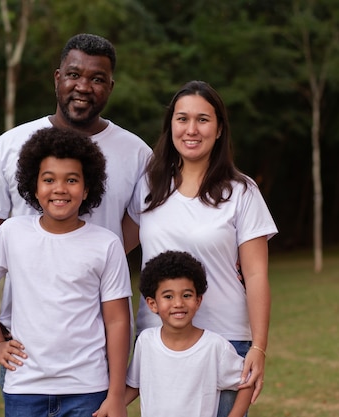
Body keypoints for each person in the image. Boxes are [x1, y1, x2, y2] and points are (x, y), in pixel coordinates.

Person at [0, 33, 151, 353]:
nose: (83, 86)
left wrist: (91, 256)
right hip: (26, 333)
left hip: (101, 334)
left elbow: (144, 222)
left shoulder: (136, 154)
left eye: (97, 78)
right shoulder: (11, 144)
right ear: (57, 78)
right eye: (74, 75)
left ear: (110, 86)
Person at [128, 80, 278, 416]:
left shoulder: (241, 191)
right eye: (182, 119)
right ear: (170, 126)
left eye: (203, 119)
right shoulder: (149, 187)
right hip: (159, 339)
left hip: (225, 338)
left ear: (220, 128)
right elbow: (112, 249)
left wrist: (259, 346)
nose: (191, 129)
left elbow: (255, 274)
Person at [0, 127, 131, 417]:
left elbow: (118, 321)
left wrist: (116, 394)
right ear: (34, 186)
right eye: (49, 179)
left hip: (87, 389)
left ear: (86, 188)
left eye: (71, 180)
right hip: (24, 388)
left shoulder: (106, 244)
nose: (60, 188)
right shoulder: (12, 233)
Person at [93, 250, 252, 417]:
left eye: (186, 295)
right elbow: (135, 385)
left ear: (198, 301)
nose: (178, 303)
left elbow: (247, 382)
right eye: (168, 296)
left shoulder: (215, 347)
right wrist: (111, 406)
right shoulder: (146, 342)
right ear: (152, 304)